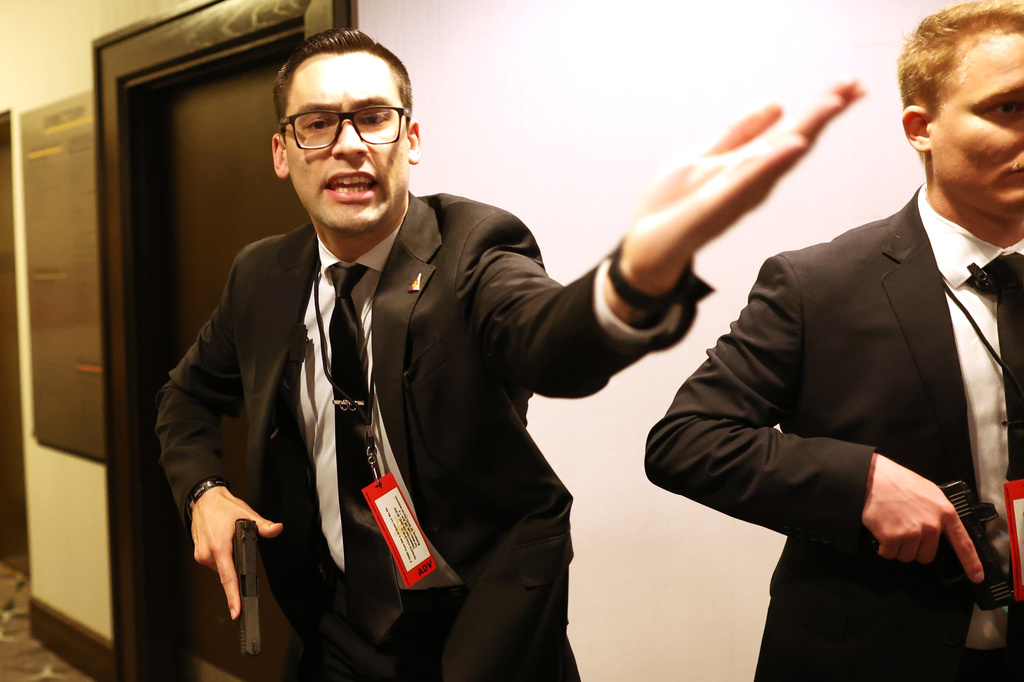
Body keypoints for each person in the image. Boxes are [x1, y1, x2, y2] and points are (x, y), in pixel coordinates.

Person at [154, 28, 860, 682]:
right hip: (335, 629)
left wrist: (633, 277)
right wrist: (204, 494)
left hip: (481, 629)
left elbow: (551, 343)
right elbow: (185, 397)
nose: (349, 144)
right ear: (283, 152)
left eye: (374, 117)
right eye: (317, 124)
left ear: (412, 137)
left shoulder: (475, 248)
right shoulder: (262, 276)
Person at [645, 1, 1024, 680]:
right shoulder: (817, 284)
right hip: (870, 657)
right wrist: (862, 484)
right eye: (1008, 107)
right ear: (921, 127)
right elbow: (686, 440)